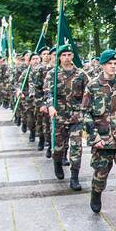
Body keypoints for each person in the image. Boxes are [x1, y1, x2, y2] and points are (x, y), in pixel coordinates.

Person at [82, 49, 116, 227]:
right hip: (102, 139)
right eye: (109, 64)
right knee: (100, 175)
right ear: (103, 65)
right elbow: (86, 114)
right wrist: (94, 136)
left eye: (115, 64)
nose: (113, 67)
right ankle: (96, 193)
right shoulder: (92, 86)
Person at [45, 46, 87, 189]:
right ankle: (57, 163)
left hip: (76, 116)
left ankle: (74, 177)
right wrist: (50, 105)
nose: (67, 57)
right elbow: (48, 93)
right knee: (58, 148)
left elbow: (88, 93)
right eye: (64, 55)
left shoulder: (81, 74)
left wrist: (85, 109)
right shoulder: (53, 74)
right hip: (59, 116)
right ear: (59, 57)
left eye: (69, 54)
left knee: (76, 147)